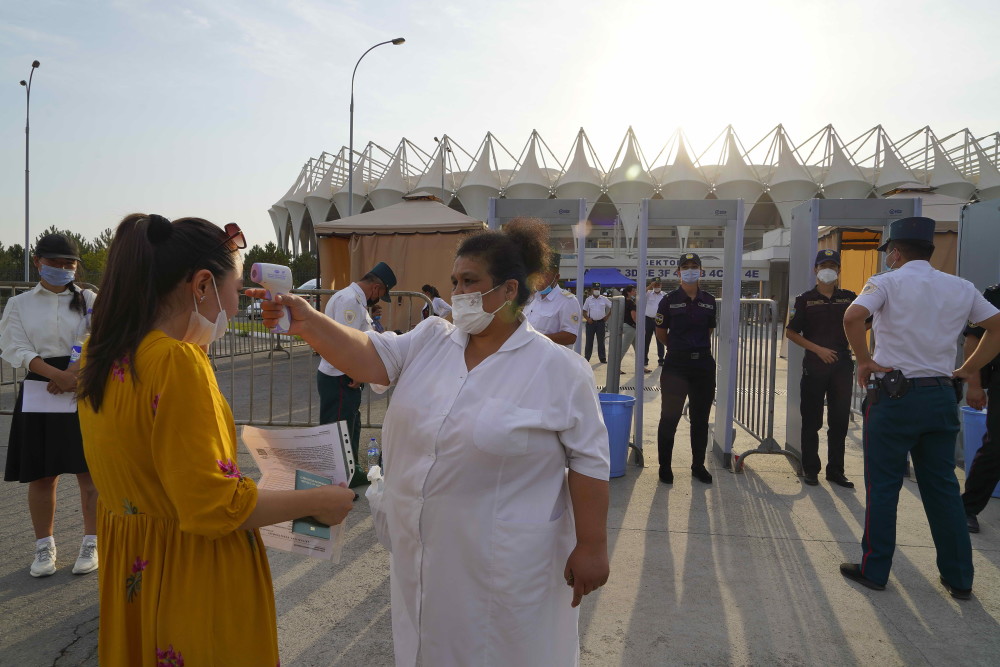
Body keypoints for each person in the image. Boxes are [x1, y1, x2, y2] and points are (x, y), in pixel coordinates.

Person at [250, 216, 610, 666]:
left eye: (470, 282)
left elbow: (589, 462)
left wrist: (592, 545)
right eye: (454, 282)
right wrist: (308, 322)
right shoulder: (432, 339)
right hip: (425, 552)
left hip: (508, 562)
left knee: (507, 650)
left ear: (509, 290)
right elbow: (369, 357)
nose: (458, 293)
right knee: (427, 646)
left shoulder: (558, 369)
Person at [76, 213, 354, 666]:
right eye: (238, 287)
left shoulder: (103, 351)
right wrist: (318, 502)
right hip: (190, 575)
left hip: (136, 567)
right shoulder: (177, 365)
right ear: (202, 286)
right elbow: (214, 506)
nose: (240, 298)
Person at [840, 216, 1000, 600]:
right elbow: (996, 327)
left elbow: (852, 316)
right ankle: (959, 578)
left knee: (884, 486)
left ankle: (874, 569)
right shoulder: (961, 287)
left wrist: (863, 360)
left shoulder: (885, 282)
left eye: (888, 253)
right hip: (941, 395)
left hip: (894, 398)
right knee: (943, 489)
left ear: (895, 252)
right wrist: (969, 369)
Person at [1, 233, 99, 578]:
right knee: (43, 474)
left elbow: (98, 338)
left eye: (68, 263)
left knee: (90, 472)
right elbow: (15, 346)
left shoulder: (88, 298)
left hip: (82, 385)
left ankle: (92, 541)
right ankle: (44, 548)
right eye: (54, 262)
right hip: (42, 387)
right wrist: (54, 375)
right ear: (38, 261)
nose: (61, 268)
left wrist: (75, 374)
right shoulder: (20, 304)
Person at [317, 262, 396, 488]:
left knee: (350, 424)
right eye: (381, 294)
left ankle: (350, 473)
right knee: (338, 429)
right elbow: (346, 342)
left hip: (344, 374)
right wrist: (356, 372)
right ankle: (336, 482)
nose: (378, 299)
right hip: (341, 375)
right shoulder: (349, 300)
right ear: (376, 288)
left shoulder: (355, 300)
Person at [785, 249, 857, 488]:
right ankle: (811, 469)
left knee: (838, 421)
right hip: (815, 366)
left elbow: (863, 322)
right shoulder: (804, 300)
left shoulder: (849, 297)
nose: (828, 269)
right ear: (815, 269)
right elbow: (791, 332)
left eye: (832, 265)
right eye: (823, 265)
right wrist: (818, 350)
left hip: (842, 366)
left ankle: (836, 470)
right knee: (811, 420)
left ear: (839, 270)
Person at [655, 252, 716, 485]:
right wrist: (679, 348)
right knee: (669, 417)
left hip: (702, 365)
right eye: (685, 267)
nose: (690, 270)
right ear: (678, 273)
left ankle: (698, 465)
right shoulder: (668, 301)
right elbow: (661, 333)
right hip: (676, 366)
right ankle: (665, 466)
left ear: (701, 271)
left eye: (694, 266)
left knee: (700, 419)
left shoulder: (709, 301)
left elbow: (709, 329)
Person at [962, 283, 1000, 533]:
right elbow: (973, 341)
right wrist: (974, 384)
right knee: (997, 448)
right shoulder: (996, 294)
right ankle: (967, 507)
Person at [522, 252, 582, 347]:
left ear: (557, 277)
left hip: (552, 359)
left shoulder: (567, 301)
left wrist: (536, 339)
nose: (540, 279)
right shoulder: (532, 298)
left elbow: (570, 337)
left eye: (545, 275)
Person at [582, 281, 612, 363]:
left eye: (598, 288)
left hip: (601, 323)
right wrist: (588, 319)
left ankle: (602, 358)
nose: (597, 290)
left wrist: (607, 316)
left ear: (600, 289)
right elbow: (584, 311)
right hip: (590, 323)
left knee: (601, 341)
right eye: (595, 288)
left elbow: (613, 306)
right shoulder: (588, 300)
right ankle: (587, 358)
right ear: (592, 289)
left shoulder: (604, 299)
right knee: (589, 341)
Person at [643, 278, 665, 372]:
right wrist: (650, 286)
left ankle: (661, 359)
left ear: (661, 285)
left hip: (659, 320)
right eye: (655, 285)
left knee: (660, 340)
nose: (657, 287)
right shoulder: (648, 293)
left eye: (658, 285)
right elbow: (639, 293)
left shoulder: (664, 295)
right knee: (646, 340)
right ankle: (644, 359)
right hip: (648, 319)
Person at [619, 284, 639, 373]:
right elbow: (634, 317)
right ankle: (616, 367)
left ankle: (641, 367)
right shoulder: (631, 303)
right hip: (631, 327)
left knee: (639, 349)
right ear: (629, 292)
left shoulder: (624, 302)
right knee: (624, 348)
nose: (635, 292)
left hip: (627, 326)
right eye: (634, 290)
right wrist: (641, 327)